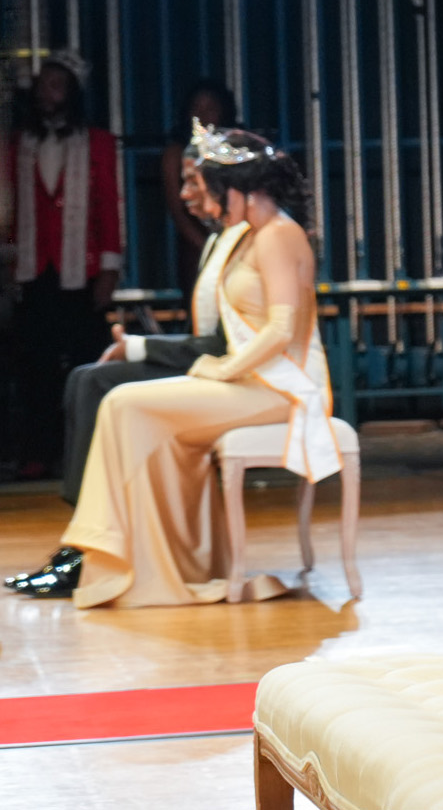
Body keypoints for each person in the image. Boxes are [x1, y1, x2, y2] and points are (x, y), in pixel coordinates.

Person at [13, 123, 340, 606]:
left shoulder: (277, 235)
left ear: (239, 188)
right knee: (125, 406)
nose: (204, 199)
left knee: (124, 402)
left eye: (210, 188)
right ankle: (143, 556)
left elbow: (281, 331)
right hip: (253, 378)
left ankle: (107, 554)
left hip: (283, 386)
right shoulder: (251, 235)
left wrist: (224, 369)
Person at [5, 140, 241, 593]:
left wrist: (135, 347)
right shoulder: (217, 239)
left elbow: (223, 344)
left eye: (192, 182)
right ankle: (84, 535)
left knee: (97, 383)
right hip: (207, 360)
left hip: (226, 373)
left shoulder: (245, 241)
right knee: (83, 378)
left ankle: (84, 546)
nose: (184, 193)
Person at [4, 51, 121, 480]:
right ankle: (39, 451)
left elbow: (109, 205)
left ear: (72, 92)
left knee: (85, 364)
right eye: (42, 85)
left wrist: (109, 269)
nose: (46, 92)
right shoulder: (19, 143)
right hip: (35, 267)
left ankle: (90, 451)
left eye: (56, 84)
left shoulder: (97, 142)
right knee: (36, 365)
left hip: (83, 268)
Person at [160, 78, 238, 293]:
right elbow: (177, 212)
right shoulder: (176, 153)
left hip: (239, 245)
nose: (203, 115)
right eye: (196, 108)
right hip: (196, 248)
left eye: (211, 108)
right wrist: (207, 247)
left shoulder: (237, 148)